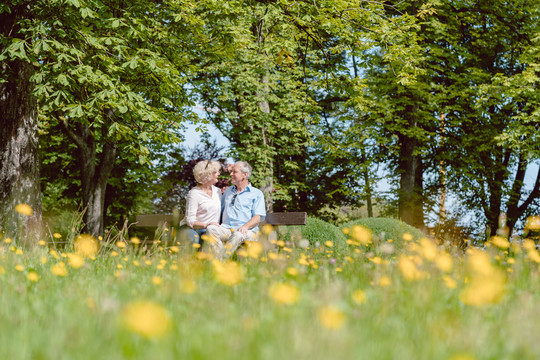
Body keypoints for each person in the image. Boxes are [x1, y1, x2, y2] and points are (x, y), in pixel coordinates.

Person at [206, 161, 266, 259]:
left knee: (238, 234)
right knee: (210, 229)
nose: (231, 174)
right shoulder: (228, 191)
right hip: (227, 229)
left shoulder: (257, 193)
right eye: (231, 172)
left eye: (235, 172)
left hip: (247, 231)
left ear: (244, 175)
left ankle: (221, 263)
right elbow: (219, 210)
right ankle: (220, 259)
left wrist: (245, 226)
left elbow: (258, 216)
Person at [178, 160, 222, 247]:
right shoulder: (194, 193)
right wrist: (205, 225)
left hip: (210, 230)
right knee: (192, 239)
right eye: (216, 172)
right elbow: (190, 220)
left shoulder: (218, 191)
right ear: (208, 174)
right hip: (192, 228)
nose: (219, 174)